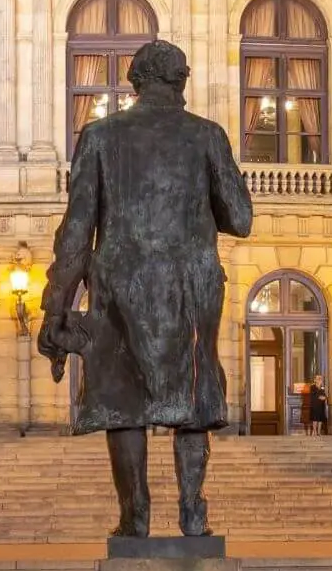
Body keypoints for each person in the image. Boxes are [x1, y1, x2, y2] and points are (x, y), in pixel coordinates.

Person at [37, 39, 254, 539]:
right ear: (181, 81)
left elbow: (76, 231)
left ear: (136, 81)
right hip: (190, 283)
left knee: (122, 397)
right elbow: (240, 219)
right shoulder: (207, 136)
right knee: (193, 392)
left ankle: (134, 515)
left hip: (120, 284)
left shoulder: (99, 136)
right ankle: (193, 511)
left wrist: (58, 305)